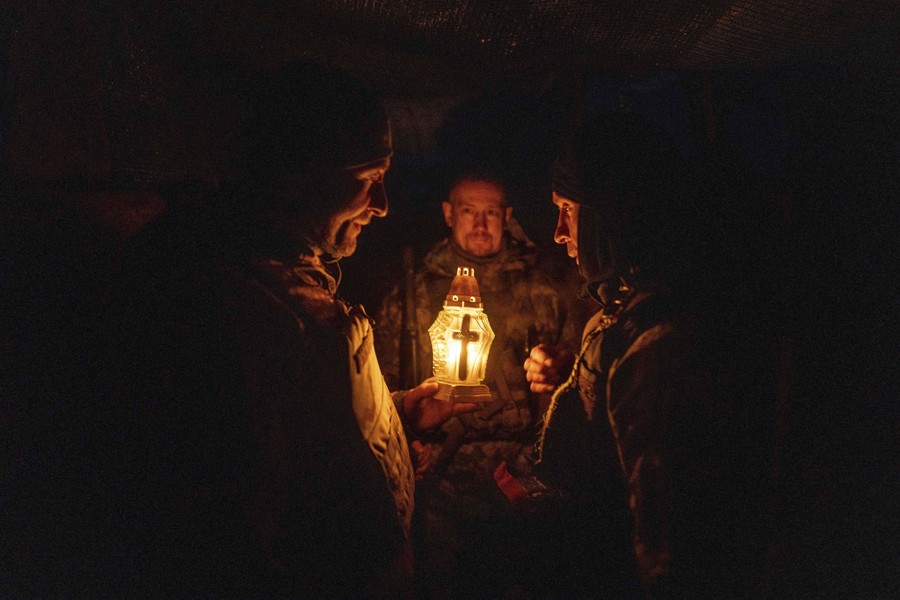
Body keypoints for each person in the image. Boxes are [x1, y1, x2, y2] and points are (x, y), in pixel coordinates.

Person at [53, 61, 476, 597]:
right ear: (299, 173)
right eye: (369, 179)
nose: (384, 206)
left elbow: (309, 437)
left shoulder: (282, 279)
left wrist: (391, 417)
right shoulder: (234, 306)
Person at [520, 112, 774, 598]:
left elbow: (670, 548)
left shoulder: (663, 344)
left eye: (568, 210)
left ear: (608, 215)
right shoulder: (624, 312)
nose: (557, 232)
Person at [374, 171, 587, 597]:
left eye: (491, 212)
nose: (480, 224)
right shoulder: (414, 290)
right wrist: (408, 438)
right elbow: (384, 385)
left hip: (522, 474)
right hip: (443, 479)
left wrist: (557, 372)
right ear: (449, 214)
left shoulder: (543, 285)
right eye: (469, 211)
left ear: (507, 217)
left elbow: (580, 373)